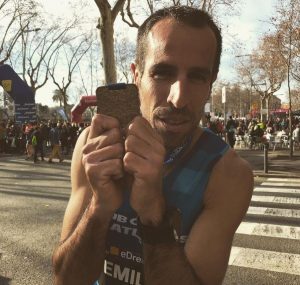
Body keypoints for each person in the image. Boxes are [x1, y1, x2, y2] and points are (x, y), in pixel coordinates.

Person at [52, 6, 253, 285]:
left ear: (210, 85)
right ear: (136, 75)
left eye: (197, 77)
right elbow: (66, 280)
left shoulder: (228, 174)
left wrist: (153, 216)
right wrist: (99, 207)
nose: (178, 98)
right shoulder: (93, 145)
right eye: (162, 73)